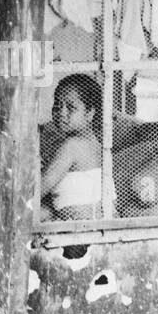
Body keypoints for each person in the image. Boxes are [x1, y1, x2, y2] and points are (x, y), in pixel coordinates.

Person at [40, 74, 105, 220]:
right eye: (57, 106)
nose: (61, 113)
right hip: (95, 222)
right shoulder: (95, 143)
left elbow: (40, 188)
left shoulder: (72, 146)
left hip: (83, 229)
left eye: (71, 107)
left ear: (89, 113)